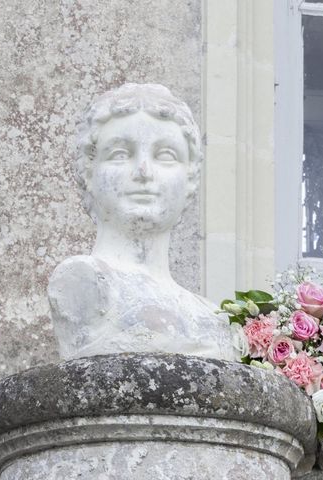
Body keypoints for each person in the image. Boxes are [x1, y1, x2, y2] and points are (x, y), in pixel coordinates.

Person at [48, 83, 236, 361]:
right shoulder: (81, 280)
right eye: (120, 154)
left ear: (191, 179)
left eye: (165, 155)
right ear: (89, 173)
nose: (143, 171)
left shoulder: (213, 316)